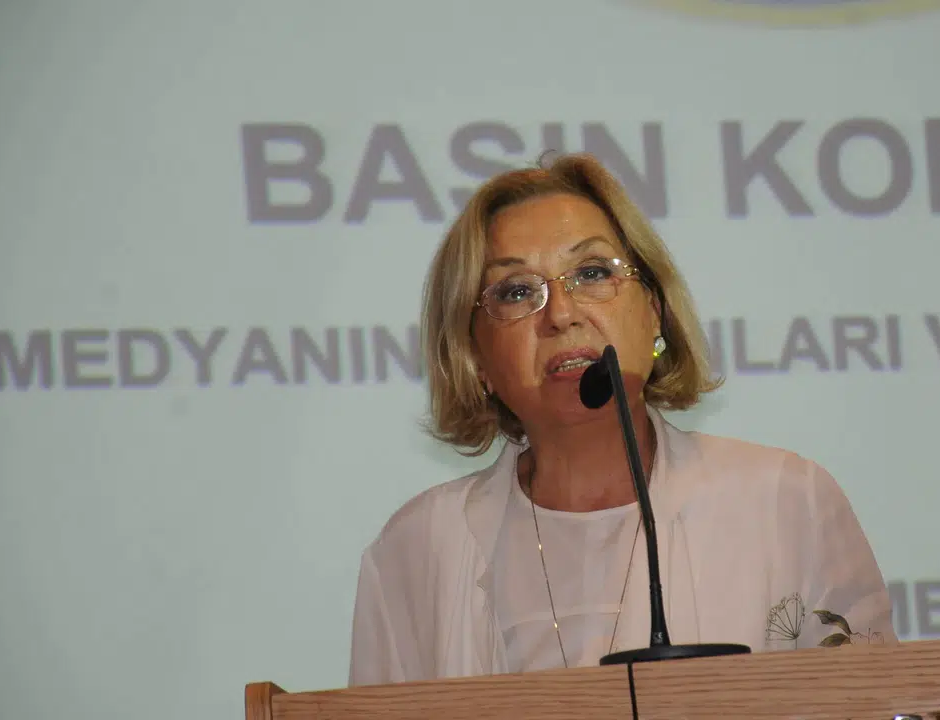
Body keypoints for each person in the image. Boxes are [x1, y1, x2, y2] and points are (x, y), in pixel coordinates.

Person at [347, 153, 896, 686]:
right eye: (517, 291)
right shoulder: (417, 549)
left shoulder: (786, 501)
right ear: (476, 357)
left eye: (591, 273)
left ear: (654, 311)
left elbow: (875, 700)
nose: (562, 314)